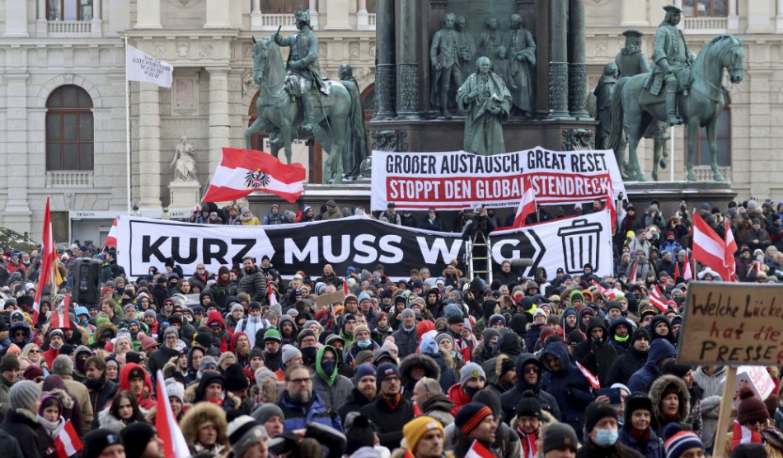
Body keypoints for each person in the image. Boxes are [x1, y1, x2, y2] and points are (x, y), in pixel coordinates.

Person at [271, 9, 325, 132]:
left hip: (307, 73)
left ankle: (310, 121)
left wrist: (297, 64)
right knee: (280, 88)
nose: (295, 23)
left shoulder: (312, 37)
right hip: (292, 72)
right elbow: (284, 42)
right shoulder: (294, 36)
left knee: (303, 90)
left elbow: (312, 56)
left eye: (297, 21)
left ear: (303, 22)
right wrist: (277, 38)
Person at [644, 4, 693, 126]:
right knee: (673, 83)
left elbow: (686, 51)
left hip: (682, 67)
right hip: (666, 68)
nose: (676, 19)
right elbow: (658, 50)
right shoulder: (662, 30)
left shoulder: (678, 32)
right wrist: (666, 67)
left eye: (678, 17)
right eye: (674, 16)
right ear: (669, 16)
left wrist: (692, 59)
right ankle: (671, 115)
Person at [456, 56, 512, 156]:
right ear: (478, 66)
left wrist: (500, 110)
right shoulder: (471, 79)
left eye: (487, 65)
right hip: (476, 115)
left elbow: (506, 97)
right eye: (483, 65)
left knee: (494, 145)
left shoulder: (497, 79)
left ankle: (494, 166)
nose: (485, 67)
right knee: (475, 145)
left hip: (492, 115)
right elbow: (460, 94)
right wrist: (468, 97)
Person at [361, 362, 414, 450]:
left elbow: (417, 435)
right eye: (387, 379)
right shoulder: (367, 411)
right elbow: (376, 440)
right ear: (379, 384)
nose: (392, 382)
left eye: (396, 378)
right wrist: (406, 433)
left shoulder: (410, 408)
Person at [277, 365, 343, 432]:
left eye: (306, 380)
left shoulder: (327, 410)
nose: (303, 384)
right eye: (297, 380)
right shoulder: (277, 412)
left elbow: (339, 439)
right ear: (286, 384)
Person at [1, 380, 56, 458]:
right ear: (29, 403)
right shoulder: (27, 433)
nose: (40, 403)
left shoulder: (5, 425)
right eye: (37, 399)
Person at [500, 353, 561, 422]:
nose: (532, 372)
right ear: (520, 372)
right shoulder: (506, 399)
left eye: (535, 369)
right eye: (527, 369)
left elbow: (557, 427)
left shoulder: (549, 399)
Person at [577, 401, 645, 458]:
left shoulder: (632, 456)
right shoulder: (577, 456)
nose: (609, 428)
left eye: (612, 423)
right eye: (603, 424)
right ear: (590, 430)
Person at [430, 13, 463, 119]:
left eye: (452, 21)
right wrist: (435, 62)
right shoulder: (439, 33)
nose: (450, 22)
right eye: (448, 20)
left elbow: (459, 48)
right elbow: (434, 48)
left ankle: (460, 108)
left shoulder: (457, 34)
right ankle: (445, 110)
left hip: (456, 62)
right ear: (445, 21)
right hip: (445, 63)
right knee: (445, 86)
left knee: (461, 85)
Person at [505, 13, 536, 116]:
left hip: (521, 62)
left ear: (519, 22)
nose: (512, 24)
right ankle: (512, 107)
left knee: (523, 85)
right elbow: (502, 47)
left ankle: (525, 108)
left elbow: (532, 47)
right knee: (509, 84)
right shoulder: (507, 34)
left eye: (514, 22)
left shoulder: (526, 33)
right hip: (509, 61)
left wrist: (523, 54)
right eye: (511, 22)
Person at [619, 393, 664, 458]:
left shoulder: (657, 443)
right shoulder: (619, 441)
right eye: (638, 415)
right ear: (629, 417)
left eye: (646, 415)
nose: (643, 419)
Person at [311, 345, 353, 412]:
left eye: (333, 358)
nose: (330, 361)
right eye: (326, 358)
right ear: (319, 360)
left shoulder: (347, 383)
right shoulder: (309, 383)